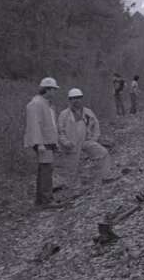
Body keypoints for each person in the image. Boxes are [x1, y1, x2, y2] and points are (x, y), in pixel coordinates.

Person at [57, 88, 115, 188]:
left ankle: (105, 176)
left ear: (81, 99)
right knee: (72, 168)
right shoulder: (64, 114)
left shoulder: (88, 112)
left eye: (78, 98)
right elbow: (60, 131)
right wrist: (65, 142)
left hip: (86, 141)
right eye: (73, 98)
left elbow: (96, 126)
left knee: (103, 153)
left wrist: (94, 139)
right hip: (71, 144)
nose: (76, 100)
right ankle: (73, 188)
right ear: (69, 100)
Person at [23, 77, 60, 206]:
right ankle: (47, 200)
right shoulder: (36, 104)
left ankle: (41, 200)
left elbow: (50, 125)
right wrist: (39, 144)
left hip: (47, 141)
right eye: (53, 89)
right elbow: (34, 125)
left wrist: (54, 142)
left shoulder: (46, 103)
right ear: (47, 89)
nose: (55, 92)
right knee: (46, 170)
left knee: (45, 169)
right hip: (42, 142)